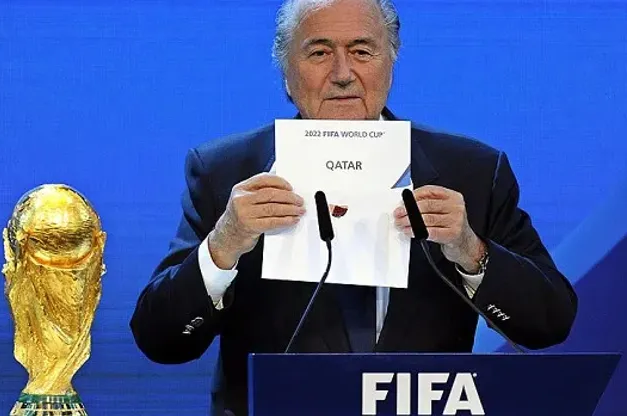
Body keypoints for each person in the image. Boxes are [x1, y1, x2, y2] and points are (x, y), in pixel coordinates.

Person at [130, 1, 578, 415]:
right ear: (286, 71)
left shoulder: (472, 171)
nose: (343, 74)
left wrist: (470, 251)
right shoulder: (224, 171)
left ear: (391, 62)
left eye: (362, 51)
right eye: (320, 53)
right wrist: (223, 245)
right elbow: (161, 341)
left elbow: (550, 323)